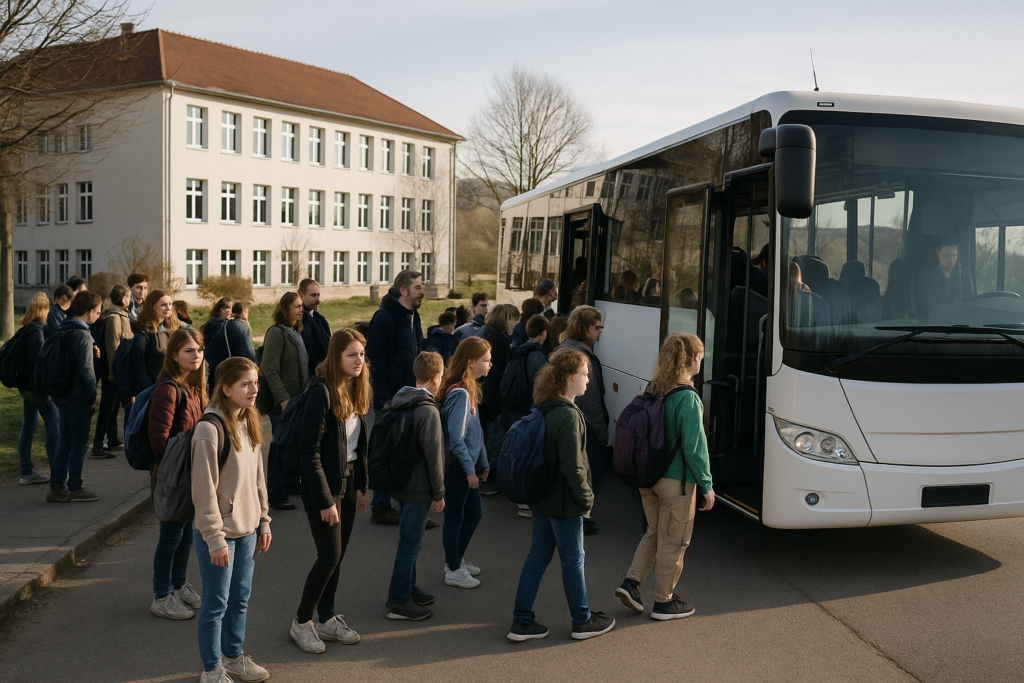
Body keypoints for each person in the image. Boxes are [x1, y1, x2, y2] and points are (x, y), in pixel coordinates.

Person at [506, 348, 614, 642]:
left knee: (537, 557)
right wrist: (587, 500)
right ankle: (582, 619)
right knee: (573, 559)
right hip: (564, 502)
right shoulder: (568, 416)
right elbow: (574, 468)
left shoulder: (546, 406)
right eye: (584, 374)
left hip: (541, 497)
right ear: (569, 378)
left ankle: (521, 620)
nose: (588, 381)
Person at [615, 333, 715, 621]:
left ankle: (631, 584)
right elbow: (695, 447)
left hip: (648, 477)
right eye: (701, 355)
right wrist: (706, 485)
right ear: (694, 358)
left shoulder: (656, 387)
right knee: (675, 539)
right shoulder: (687, 397)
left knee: (655, 531)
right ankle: (664, 601)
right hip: (677, 483)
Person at [191, 357, 272, 683]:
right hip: (220, 533)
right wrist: (214, 538)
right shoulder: (208, 430)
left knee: (240, 599)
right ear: (226, 388)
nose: (254, 389)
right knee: (215, 604)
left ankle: (234, 657)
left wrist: (264, 519)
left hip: (248, 528)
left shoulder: (250, 419)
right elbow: (203, 492)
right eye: (246, 384)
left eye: (256, 382)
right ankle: (211, 670)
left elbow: (257, 477)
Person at [290, 329, 370, 653]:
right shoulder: (320, 393)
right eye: (352, 355)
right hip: (324, 486)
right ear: (336, 356)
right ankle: (301, 622)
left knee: (338, 557)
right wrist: (325, 500)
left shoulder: (353, 388)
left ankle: (326, 617)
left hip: (348, 483)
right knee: (329, 557)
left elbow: (357, 446)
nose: (359, 361)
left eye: (362, 354)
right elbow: (308, 452)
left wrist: (362, 485)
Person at [148, 328, 208, 621]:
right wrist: (172, 472)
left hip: (191, 474)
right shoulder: (168, 389)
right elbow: (158, 439)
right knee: (171, 536)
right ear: (174, 355)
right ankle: (161, 596)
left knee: (186, 535)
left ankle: (178, 584)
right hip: (174, 476)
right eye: (189, 351)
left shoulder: (193, 387)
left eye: (199, 350)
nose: (196, 355)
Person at [385, 351, 446, 620]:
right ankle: (398, 600)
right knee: (410, 543)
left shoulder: (401, 400)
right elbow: (435, 454)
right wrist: (439, 492)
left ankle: (408, 587)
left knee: (412, 540)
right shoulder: (428, 410)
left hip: (399, 480)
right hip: (419, 486)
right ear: (436, 378)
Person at [365, 270, 426, 526]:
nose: (423, 291)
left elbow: (418, 353)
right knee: (386, 452)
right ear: (403, 290)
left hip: (411, 396)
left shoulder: (414, 316)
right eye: (418, 287)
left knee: (406, 452)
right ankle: (381, 507)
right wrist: (383, 398)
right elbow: (376, 361)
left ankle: (405, 509)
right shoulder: (385, 317)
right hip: (391, 399)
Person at [440, 337, 492, 589]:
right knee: (455, 516)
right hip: (460, 469)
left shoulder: (469, 389)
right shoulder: (460, 393)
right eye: (486, 360)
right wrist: (470, 470)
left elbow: (476, 431)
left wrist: (483, 461)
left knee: (474, 514)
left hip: (469, 467)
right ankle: (452, 567)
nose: (490, 364)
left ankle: (455, 559)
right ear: (471, 362)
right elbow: (456, 439)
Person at [47, 290, 103, 503]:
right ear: (90, 312)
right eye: (97, 312)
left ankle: (57, 485)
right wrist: (92, 396)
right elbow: (86, 372)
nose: (97, 316)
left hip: (61, 393)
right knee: (79, 443)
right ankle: (75, 486)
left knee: (65, 441)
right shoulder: (82, 334)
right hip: (78, 395)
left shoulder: (63, 327)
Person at [560, 305, 608, 535]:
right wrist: (602, 432)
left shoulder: (566, 348)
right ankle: (581, 518)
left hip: (574, 423)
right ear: (589, 328)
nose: (601, 332)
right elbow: (591, 402)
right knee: (590, 473)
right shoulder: (581, 356)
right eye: (599, 328)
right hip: (585, 426)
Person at [263, 291, 310, 511]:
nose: (301, 310)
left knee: (294, 445)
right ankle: (276, 493)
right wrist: (283, 399)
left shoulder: (295, 332)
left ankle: (291, 484)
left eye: (301, 306)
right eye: (296, 306)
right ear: (285, 309)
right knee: (280, 447)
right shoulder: (276, 333)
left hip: (298, 401)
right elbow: (270, 370)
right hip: (283, 403)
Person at [478, 303, 520, 495]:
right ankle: (488, 480)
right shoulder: (499, 340)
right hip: (491, 401)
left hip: (481, 397)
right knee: (493, 441)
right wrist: (496, 407)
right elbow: (496, 377)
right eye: (514, 318)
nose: (516, 322)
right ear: (505, 319)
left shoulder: (485, 333)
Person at [15, 293, 56, 485]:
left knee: (28, 425)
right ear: (43, 310)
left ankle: (26, 471)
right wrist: (47, 388)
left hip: (25, 386)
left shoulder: (25, 329)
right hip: (34, 387)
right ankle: (58, 471)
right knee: (54, 421)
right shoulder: (36, 332)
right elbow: (40, 363)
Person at [90, 284, 131, 459]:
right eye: (128, 297)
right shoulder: (114, 318)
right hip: (112, 369)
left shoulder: (120, 315)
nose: (129, 300)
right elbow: (112, 346)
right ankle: (98, 445)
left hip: (117, 369)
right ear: (123, 299)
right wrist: (114, 373)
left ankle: (113, 439)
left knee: (113, 407)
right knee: (107, 407)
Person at [130, 290, 180, 397]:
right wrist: (147, 388)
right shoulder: (143, 333)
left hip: (166, 384)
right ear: (152, 307)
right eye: (163, 305)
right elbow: (138, 364)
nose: (168, 308)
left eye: (170, 304)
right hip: (149, 388)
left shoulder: (168, 330)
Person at [913, 237, 972, 323]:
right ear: (938, 254)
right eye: (947, 256)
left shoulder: (960, 278)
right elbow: (929, 310)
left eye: (954, 256)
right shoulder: (927, 277)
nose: (951, 260)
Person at [205, 302, 256, 395]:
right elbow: (249, 355)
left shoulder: (215, 324)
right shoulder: (239, 326)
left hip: (216, 370)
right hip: (234, 372)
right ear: (244, 312)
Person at [299, 279, 332, 379]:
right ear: (301, 295)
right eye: (313, 295)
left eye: (318, 295)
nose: (317, 299)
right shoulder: (297, 320)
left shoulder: (320, 319)